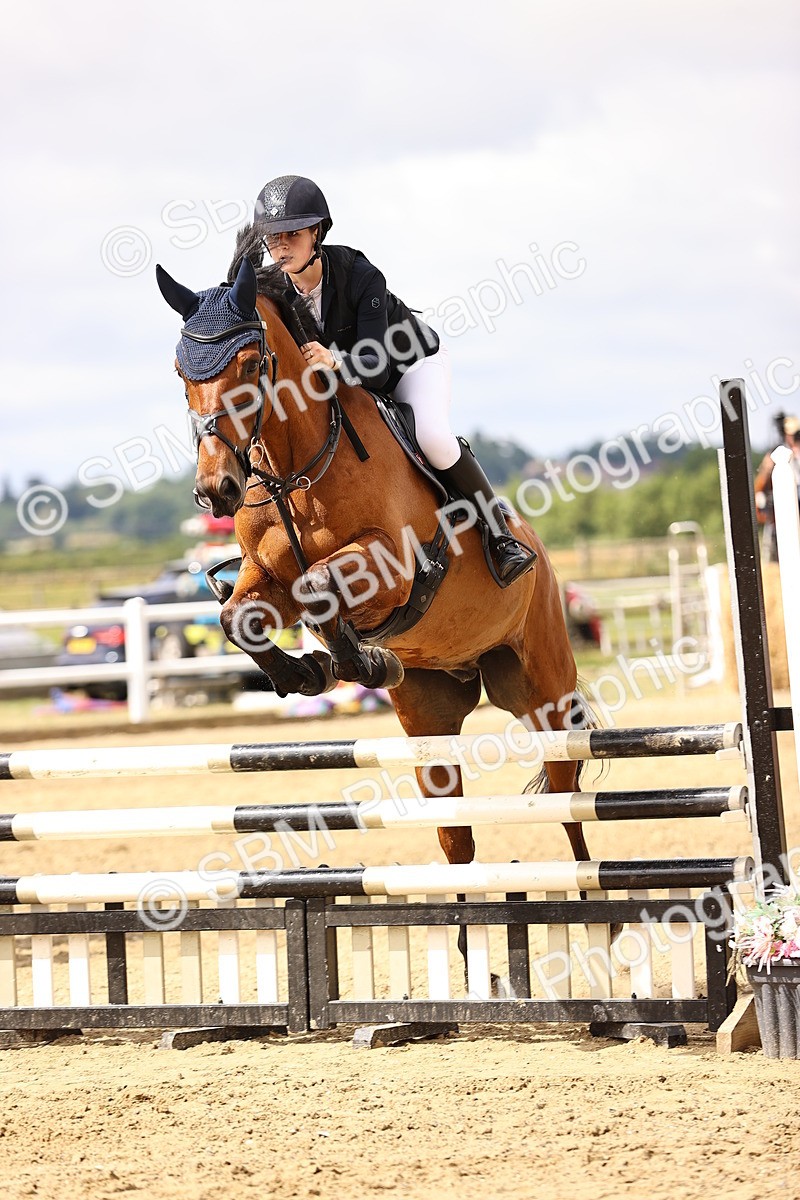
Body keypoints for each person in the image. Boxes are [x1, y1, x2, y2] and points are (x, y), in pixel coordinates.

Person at [253, 175, 537, 586]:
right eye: (272, 238)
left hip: (409, 366)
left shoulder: (361, 274)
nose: (280, 247)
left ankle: (500, 536)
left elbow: (378, 366)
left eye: (292, 235)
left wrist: (335, 359)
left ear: (317, 232)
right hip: (344, 382)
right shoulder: (274, 288)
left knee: (434, 439)